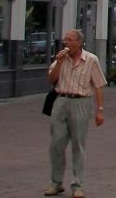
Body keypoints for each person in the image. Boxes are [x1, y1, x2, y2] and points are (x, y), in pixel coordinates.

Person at [45, 28, 106, 198]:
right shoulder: (61, 59)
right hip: (61, 100)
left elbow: (99, 85)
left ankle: (77, 185)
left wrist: (100, 110)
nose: (66, 43)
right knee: (56, 144)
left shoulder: (91, 59)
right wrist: (57, 62)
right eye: (65, 40)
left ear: (79, 42)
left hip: (81, 102)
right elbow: (51, 80)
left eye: (70, 40)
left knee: (78, 144)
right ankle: (55, 183)